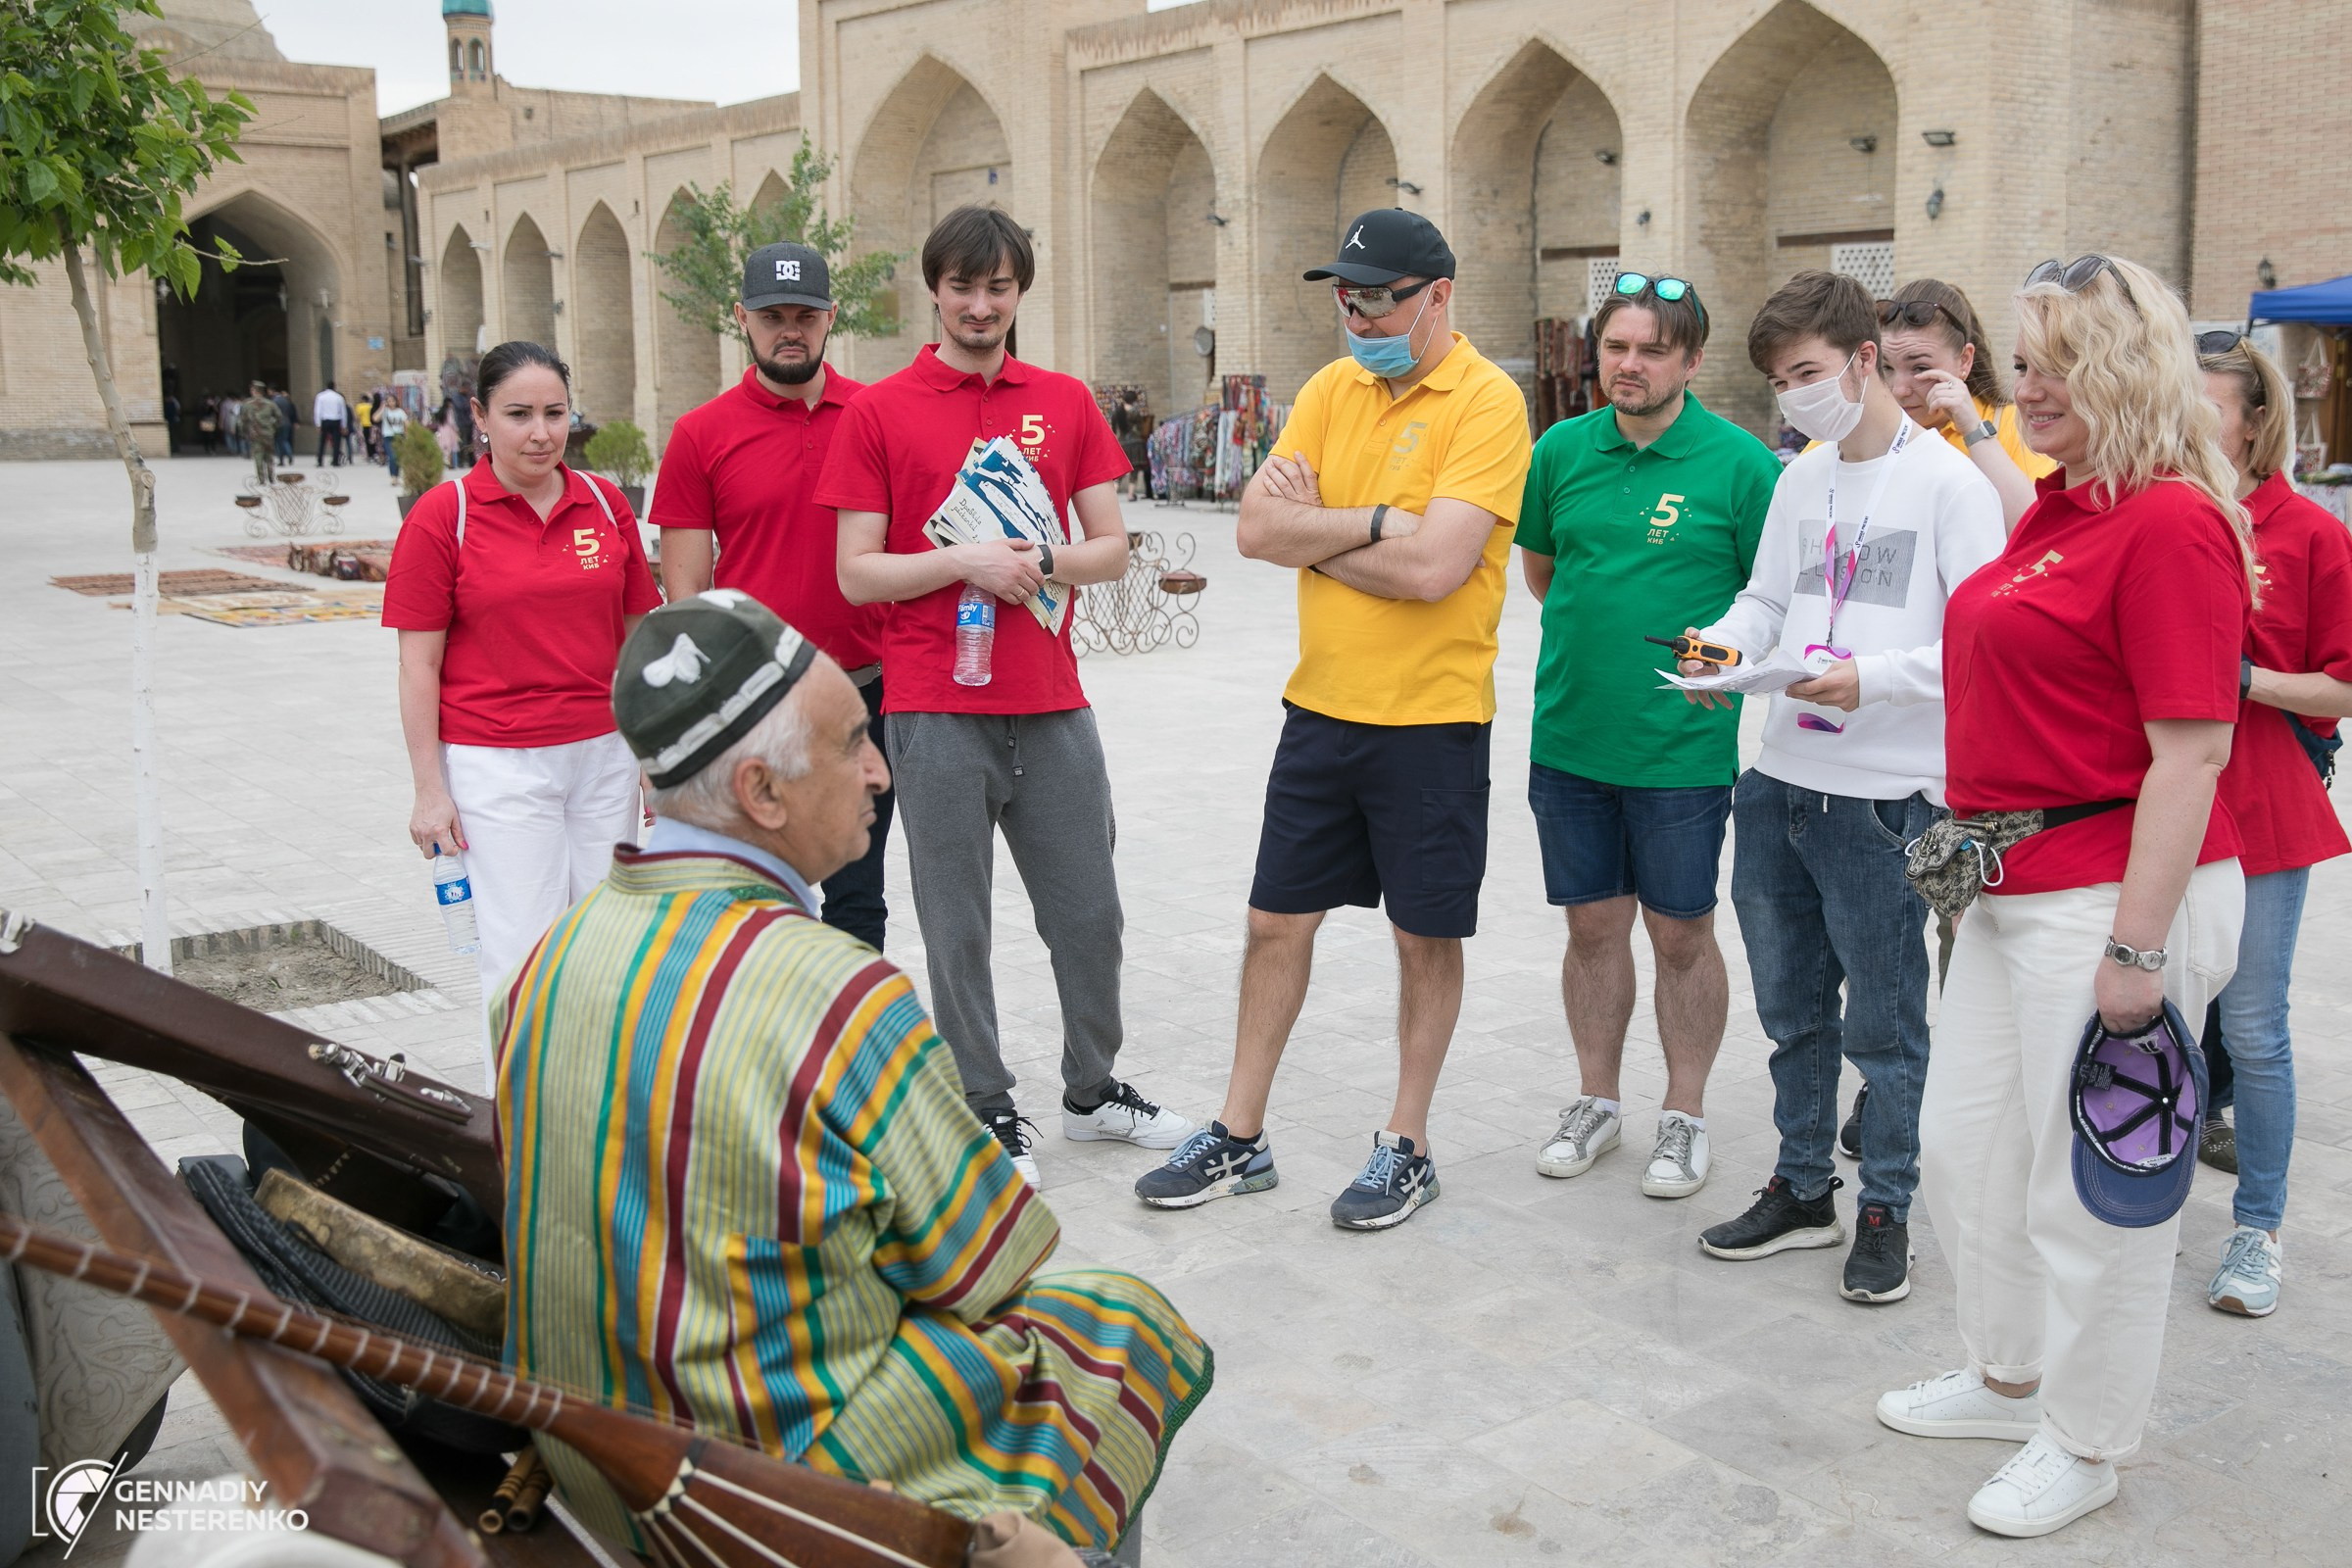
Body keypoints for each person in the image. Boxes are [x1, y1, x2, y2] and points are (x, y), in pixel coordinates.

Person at [497, 593, 1211, 1562]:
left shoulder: (546, 960)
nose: (881, 771)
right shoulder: (834, 994)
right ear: (763, 792)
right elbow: (982, 1267)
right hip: (748, 1493)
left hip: (586, 1448)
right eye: (852, 744)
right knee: (1116, 1323)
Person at [1879, 255, 2253, 1539]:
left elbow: (2194, 749)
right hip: (2006, 887)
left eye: (2053, 363)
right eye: (2023, 362)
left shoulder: (2169, 522)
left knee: (2093, 1191)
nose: (2027, 386)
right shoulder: (2063, 510)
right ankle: (2006, 1377)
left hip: (2109, 896)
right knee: (1967, 1154)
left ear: (2123, 369)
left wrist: (2138, 951)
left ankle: (2087, 1441)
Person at [1132, 209, 1532, 1230]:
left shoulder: (1485, 405)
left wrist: (1321, 537)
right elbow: (1256, 528)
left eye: (1379, 298)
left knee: (1422, 935)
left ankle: (1406, 1142)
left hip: (1433, 718)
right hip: (1320, 709)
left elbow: (1439, 568)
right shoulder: (1328, 387)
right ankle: (1240, 1131)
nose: (1357, 317)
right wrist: (1379, 526)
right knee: (1274, 922)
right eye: (1345, 297)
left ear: (1439, 296)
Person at [821, 206, 1192, 1185]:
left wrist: (1032, 559)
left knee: (1090, 912)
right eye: (961, 287)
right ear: (932, 289)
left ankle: (1094, 1090)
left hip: (1052, 701)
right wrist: (960, 560)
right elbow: (857, 572)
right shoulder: (880, 412)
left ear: (1020, 292)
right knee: (956, 920)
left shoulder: (1065, 402)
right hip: (934, 708)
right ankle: (985, 1103)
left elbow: (1111, 548)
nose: (979, 307)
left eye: (997, 288)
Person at [1678, 270, 2004, 1303]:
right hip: (1781, 780)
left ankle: (1887, 1208)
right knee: (1792, 1011)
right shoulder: (1802, 477)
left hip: (1890, 793)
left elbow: (1983, 651)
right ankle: (1804, 1185)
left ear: (1868, 360)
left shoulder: (1949, 485)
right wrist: (1718, 651)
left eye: (1809, 372)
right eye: (1780, 380)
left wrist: (1872, 679)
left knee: (1888, 1024)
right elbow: (1767, 599)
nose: (1795, 396)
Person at [1514, 272, 1781, 1200]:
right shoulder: (1559, 450)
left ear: (1693, 361)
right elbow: (1546, 574)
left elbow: (1772, 602)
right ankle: (1596, 1100)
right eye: (1617, 347)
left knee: (1680, 935)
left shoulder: (1743, 466)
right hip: (1572, 738)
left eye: (1652, 351)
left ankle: (1686, 1114)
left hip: (1680, 751)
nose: (1628, 366)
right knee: (1591, 929)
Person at [382, 340, 660, 1080]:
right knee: (524, 952)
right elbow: (419, 665)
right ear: (478, 417)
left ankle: (604, 1111)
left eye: (555, 413)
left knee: (607, 944)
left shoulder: (604, 505)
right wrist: (429, 789)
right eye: (518, 414)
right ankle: (526, 1125)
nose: (540, 432)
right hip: (500, 766)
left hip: (604, 756)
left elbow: (641, 638)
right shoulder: (448, 516)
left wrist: (657, 756)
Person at [653, 241, 894, 951]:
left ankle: (844, 1053)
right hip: (752, 704)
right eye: (772, 316)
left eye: (805, 316)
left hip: (866, 696)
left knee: (858, 895)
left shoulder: (875, 416)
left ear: (831, 319)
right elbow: (686, 595)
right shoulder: (701, 435)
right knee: (752, 897)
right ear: (743, 320)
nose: (790, 329)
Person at [2188, 331, 2352, 1318]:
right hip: (2155, 807)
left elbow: (2344, 684)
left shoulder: (2310, 535)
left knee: (2252, 1026)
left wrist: (2244, 679)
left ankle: (2258, 1227)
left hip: (2263, 808)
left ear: (2258, 421)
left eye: (2209, 411)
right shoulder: (2154, 515)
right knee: (2150, 1018)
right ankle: (2142, 1198)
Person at [1878, 278, 2055, 528]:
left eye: (1920, 368)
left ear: (1964, 360)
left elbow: (2035, 526)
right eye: (1886, 367)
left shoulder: (2014, 424)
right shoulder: (1868, 427)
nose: (1899, 389)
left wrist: (1973, 430)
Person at [237, 381, 279, 485]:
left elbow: (242, 421)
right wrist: (273, 428)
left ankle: (261, 479)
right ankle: (271, 477)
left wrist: (244, 432)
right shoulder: (270, 404)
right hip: (268, 433)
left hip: (255, 434)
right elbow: (279, 417)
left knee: (258, 456)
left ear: (254, 391)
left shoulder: (247, 404)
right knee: (269, 456)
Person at [314, 379, 349, 466]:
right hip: (336, 420)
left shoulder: (320, 396)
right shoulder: (339, 397)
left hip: (325, 421)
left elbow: (317, 411)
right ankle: (335, 461)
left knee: (322, 442)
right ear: (334, 387)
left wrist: (317, 424)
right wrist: (344, 425)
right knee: (337, 442)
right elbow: (343, 412)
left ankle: (320, 461)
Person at [378, 395, 408, 484]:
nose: (391, 403)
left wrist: (408, 434)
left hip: (399, 436)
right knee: (392, 457)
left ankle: (396, 476)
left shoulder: (400, 412)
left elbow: (406, 423)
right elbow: (375, 418)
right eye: (389, 401)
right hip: (388, 437)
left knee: (398, 457)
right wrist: (382, 407)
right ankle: (393, 477)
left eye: (393, 401)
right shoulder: (385, 411)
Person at [271, 386, 296, 465]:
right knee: (285, 440)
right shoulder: (286, 401)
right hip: (287, 422)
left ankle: (281, 459)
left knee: (279, 441)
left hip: (278, 423)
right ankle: (289, 454)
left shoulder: (274, 401)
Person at [354, 390, 376, 464]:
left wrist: (357, 424)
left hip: (364, 425)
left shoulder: (360, 406)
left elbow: (357, 416)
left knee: (366, 440)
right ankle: (374, 454)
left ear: (363, 399)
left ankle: (369, 455)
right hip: (372, 425)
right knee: (372, 440)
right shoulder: (370, 406)